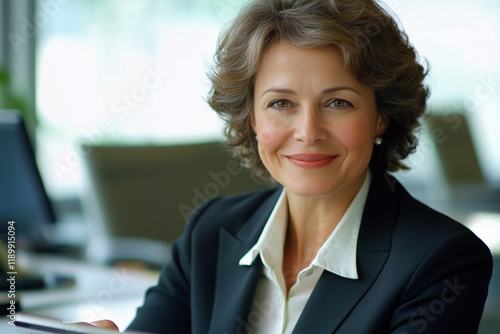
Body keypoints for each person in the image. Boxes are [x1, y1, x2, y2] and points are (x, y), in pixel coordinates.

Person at [91, 0, 493, 333]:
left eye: (339, 102)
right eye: (280, 103)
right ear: (252, 117)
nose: (308, 131)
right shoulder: (211, 232)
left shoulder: (443, 261)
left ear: (381, 117)